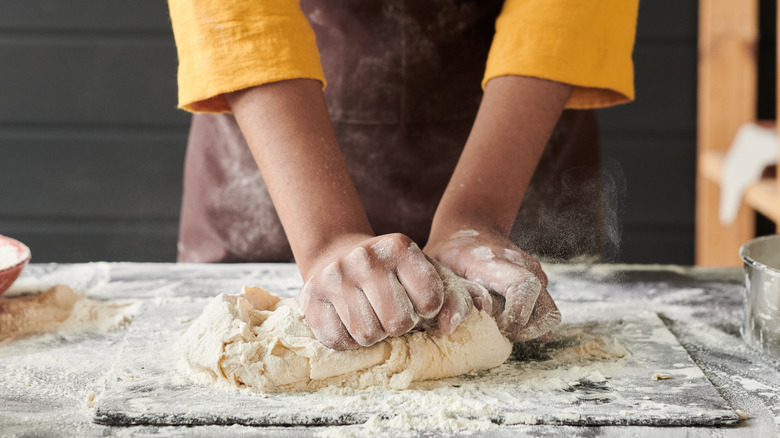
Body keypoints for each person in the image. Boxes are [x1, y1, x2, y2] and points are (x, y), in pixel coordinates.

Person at [167, 0, 639, 350]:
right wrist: (325, 237)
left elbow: (563, 16)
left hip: (515, 130)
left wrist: (480, 216)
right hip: (279, 134)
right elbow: (237, 15)